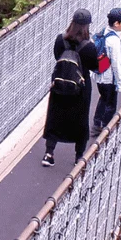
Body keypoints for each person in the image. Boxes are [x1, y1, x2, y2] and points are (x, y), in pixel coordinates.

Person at [44, 9, 101, 166]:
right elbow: (95, 66)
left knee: (54, 117)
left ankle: (49, 153)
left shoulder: (60, 40)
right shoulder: (89, 47)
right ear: (87, 26)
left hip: (59, 83)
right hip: (80, 88)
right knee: (80, 119)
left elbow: (58, 57)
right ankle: (78, 157)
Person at [92, 7, 121, 134]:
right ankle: (106, 129)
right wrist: (120, 82)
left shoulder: (103, 32)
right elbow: (116, 63)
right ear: (116, 23)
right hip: (109, 78)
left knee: (103, 98)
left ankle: (97, 123)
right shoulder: (114, 41)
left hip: (99, 76)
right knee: (111, 105)